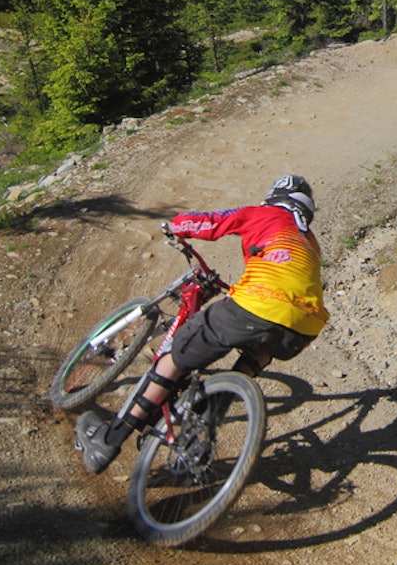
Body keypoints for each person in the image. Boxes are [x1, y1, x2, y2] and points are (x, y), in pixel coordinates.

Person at [75, 174, 327, 474]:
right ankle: (203, 433)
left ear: (275, 197)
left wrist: (175, 225)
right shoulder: (310, 241)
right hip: (304, 328)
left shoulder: (264, 213)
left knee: (174, 358)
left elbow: (210, 223)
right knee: (259, 349)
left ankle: (108, 440)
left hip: (259, 304)